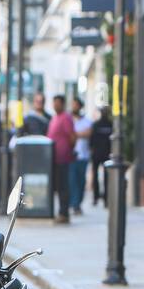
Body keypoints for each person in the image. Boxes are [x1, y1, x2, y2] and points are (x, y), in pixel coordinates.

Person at [46, 95, 75, 224]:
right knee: (57, 186)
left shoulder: (66, 118)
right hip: (54, 158)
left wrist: (68, 150)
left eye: (58, 103)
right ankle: (59, 212)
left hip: (63, 158)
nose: (55, 105)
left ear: (63, 104)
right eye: (54, 103)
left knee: (63, 186)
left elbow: (72, 136)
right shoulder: (54, 118)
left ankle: (64, 213)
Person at [69, 96, 93, 216]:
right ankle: (75, 204)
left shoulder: (86, 121)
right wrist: (78, 134)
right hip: (71, 155)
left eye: (76, 105)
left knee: (81, 181)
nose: (74, 107)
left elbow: (88, 133)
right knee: (72, 181)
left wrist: (75, 135)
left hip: (83, 156)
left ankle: (78, 202)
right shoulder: (69, 120)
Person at [90, 105, 113, 206]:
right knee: (97, 176)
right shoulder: (107, 125)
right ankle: (98, 198)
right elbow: (91, 140)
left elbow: (91, 141)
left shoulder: (107, 125)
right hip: (100, 154)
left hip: (103, 154)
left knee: (104, 176)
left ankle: (103, 198)